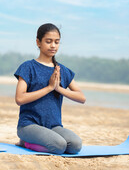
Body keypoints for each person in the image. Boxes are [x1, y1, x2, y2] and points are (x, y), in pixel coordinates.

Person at [14, 23, 86, 154]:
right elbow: (19, 98)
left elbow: (81, 97)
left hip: (53, 126)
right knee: (58, 146)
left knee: (75, 145)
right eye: (48, 41)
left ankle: (37, 142)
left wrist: (58, 88)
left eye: (56, 42)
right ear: (38, 42)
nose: (53, 45)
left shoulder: (62, 70)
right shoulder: (28, 67)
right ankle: (26, 143)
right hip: (29, 125)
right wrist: (49, 88)